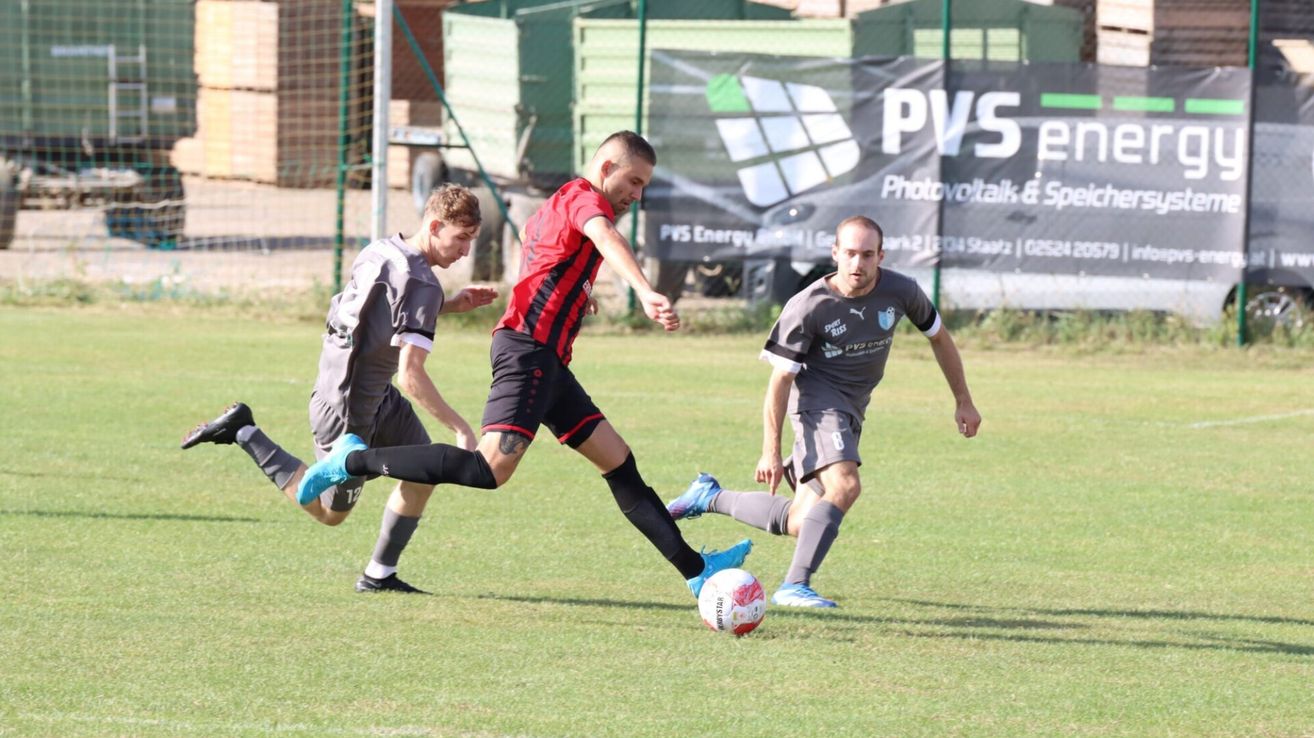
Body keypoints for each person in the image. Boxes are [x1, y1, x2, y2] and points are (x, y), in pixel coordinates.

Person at [296, 131, 752, 598]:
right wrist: (643, 288)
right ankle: (350, 460)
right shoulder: (581, 199)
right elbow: (602, 234)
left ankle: (697, 571)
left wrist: (577, 294)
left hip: (549, 362)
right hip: (527, 353)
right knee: (488, 471)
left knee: (619, 462)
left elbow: (541, 257)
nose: (637, 194)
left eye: (644, 186)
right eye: (633, 181)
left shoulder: (553, 206)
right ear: (607, 168)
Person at [181, 184, 498, 594]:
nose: (465, 252)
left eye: (471, 241)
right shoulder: (423, 284)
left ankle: (378, 575)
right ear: (435, 225)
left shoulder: (382, 251)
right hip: (347, 411)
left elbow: (376, 311)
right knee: (331, 513)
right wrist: (461, 428)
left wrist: (450, 305)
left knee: (423, 475)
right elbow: (411, 376)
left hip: (370, 392)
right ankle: (244, 432)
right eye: (460, 239)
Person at [665, 216, 981, 608]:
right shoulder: (809, 306)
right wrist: (770, 450)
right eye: (849, 253)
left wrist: (963, 399)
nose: (857, 264)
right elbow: (779, 382)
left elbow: (939, 337)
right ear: (835, 253)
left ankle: (709, 497)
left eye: (867, 254)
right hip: (817, 404)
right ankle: (794, 586)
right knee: (845, 486)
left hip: (852, 411)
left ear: (881, 256)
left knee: (801, 521)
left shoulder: (902, 291)